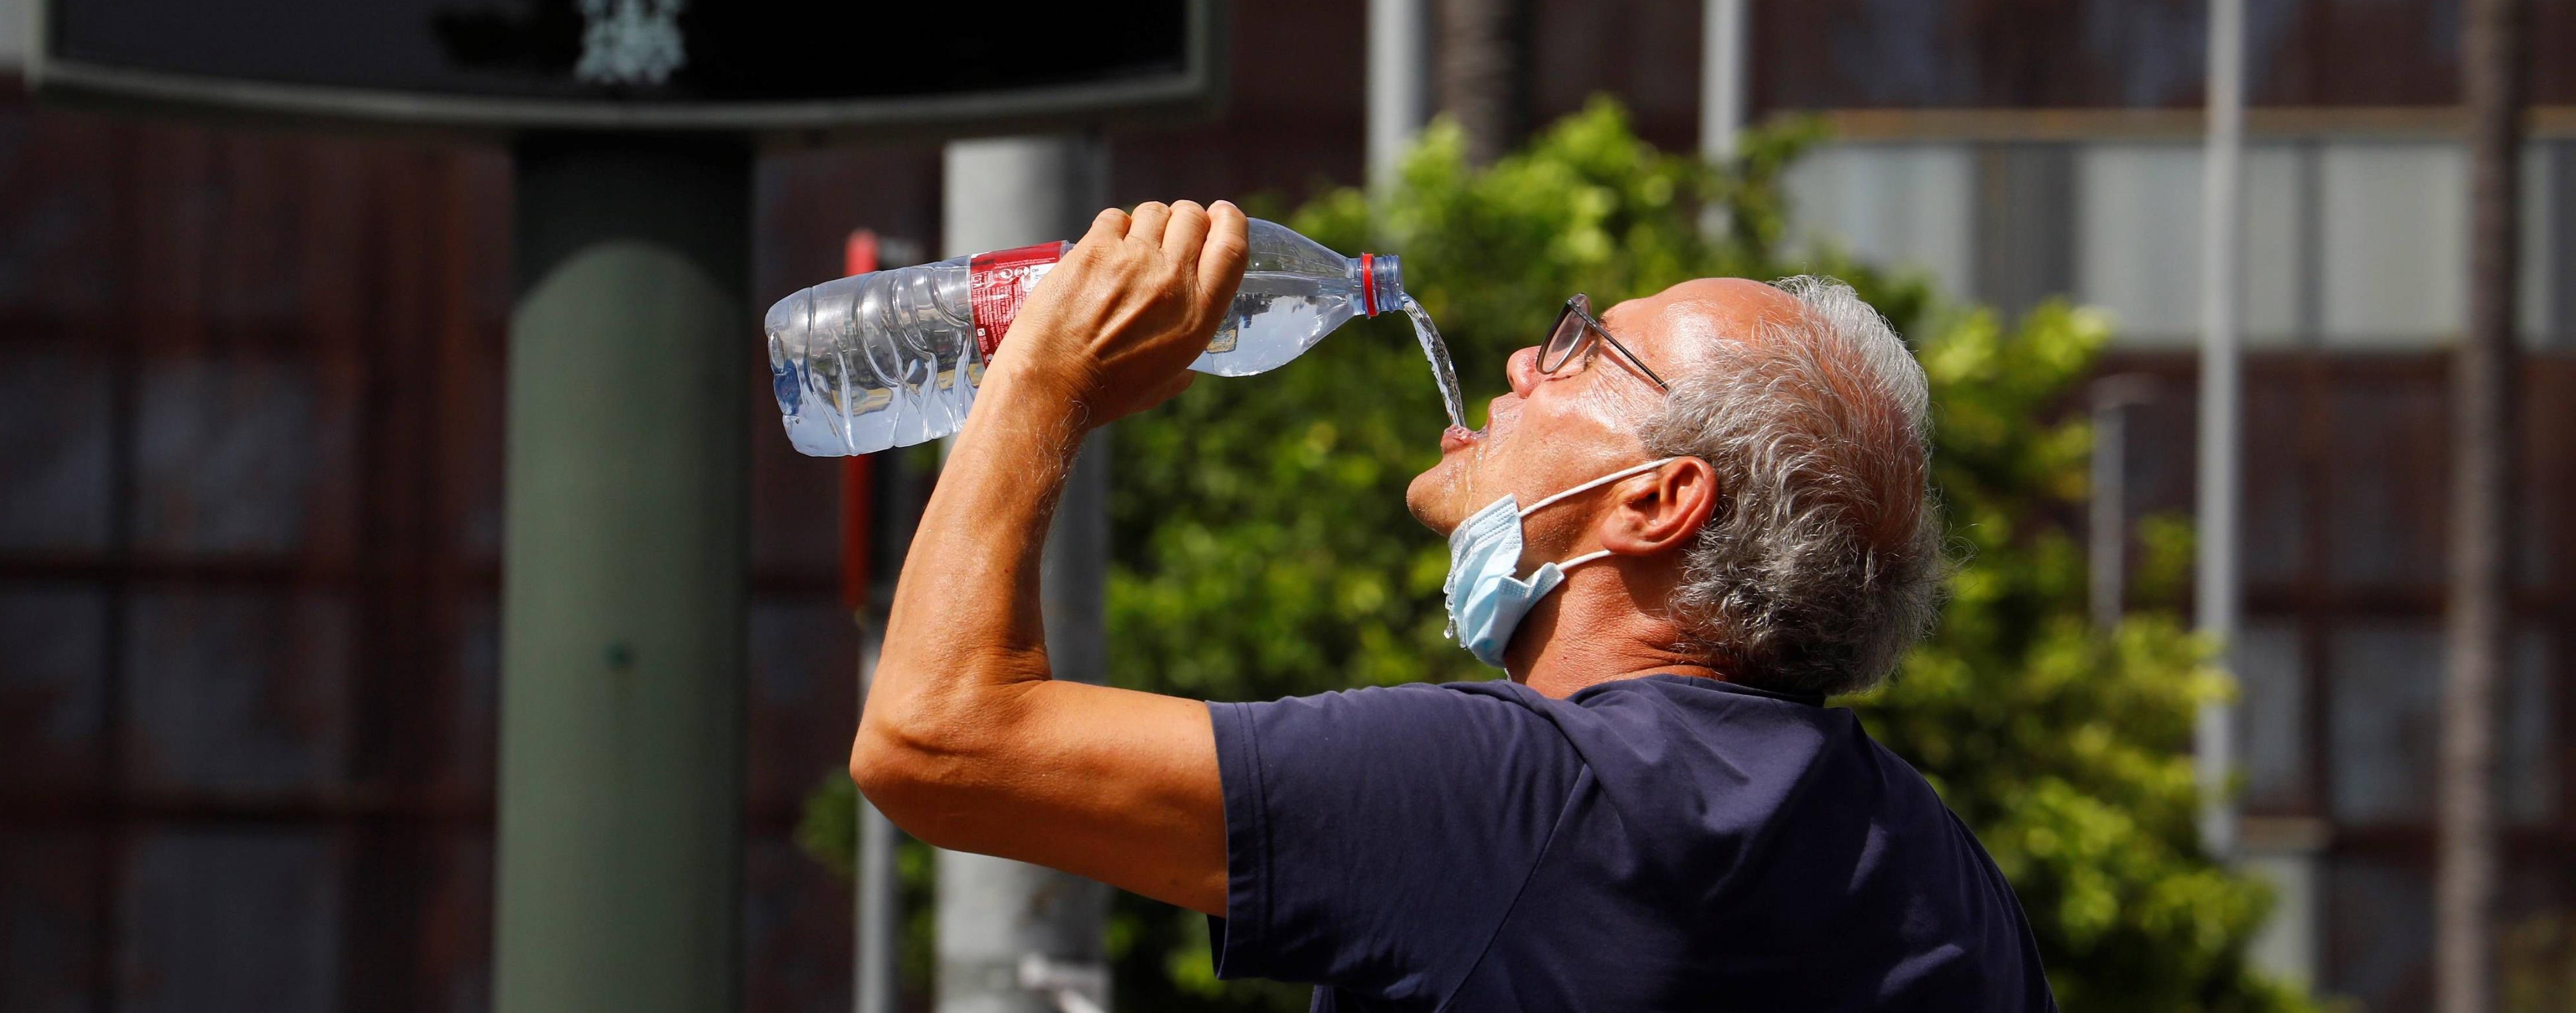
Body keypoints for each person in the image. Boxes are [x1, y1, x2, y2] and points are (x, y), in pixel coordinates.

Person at [852, 199, 2056, 1011]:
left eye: (1586, 348)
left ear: (1658, 501)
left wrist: (1045, 374)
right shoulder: (1940, 871)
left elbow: (935, 735)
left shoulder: (1516, 794)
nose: (1528, 361)